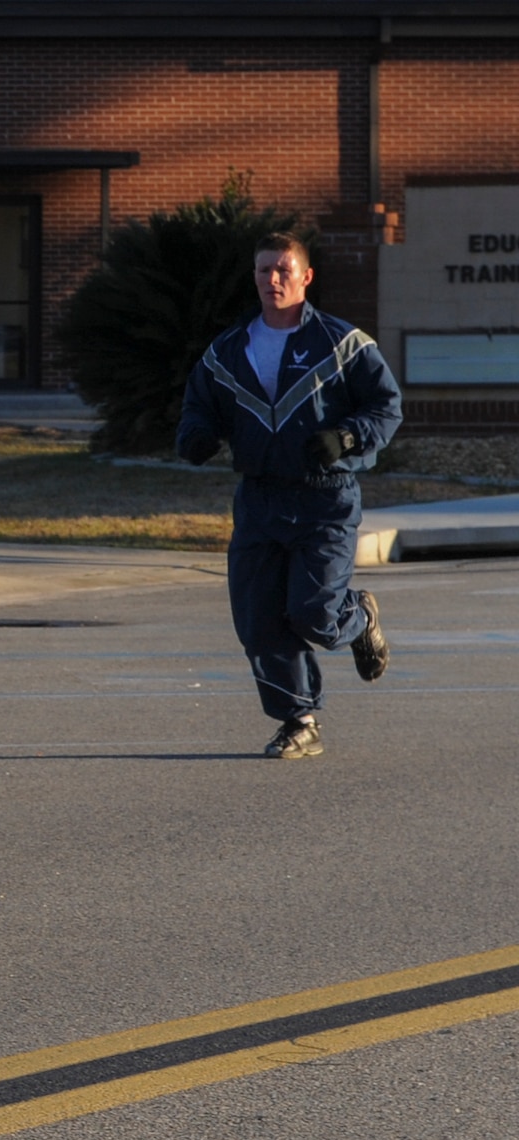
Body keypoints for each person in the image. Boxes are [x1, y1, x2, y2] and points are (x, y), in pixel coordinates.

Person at [177, 231, 402, 759]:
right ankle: (298, 721)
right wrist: (195, 437)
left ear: (306, 276)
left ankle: (360, 617)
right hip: (259, 500)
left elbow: (385, 407)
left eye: (283, 270)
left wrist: (346, 438)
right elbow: (199, 405)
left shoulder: (343, 343)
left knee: (314, 615)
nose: (272, 280)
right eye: (263, 271)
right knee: (258, 619)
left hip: (325, 498)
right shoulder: (228, 351)